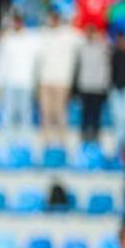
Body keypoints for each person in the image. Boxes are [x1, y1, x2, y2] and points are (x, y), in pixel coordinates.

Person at [0, 13, 42, 143]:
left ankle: (25, 146)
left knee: (25, 114)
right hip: (10, 82)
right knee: (8, 113)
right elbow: (0, 61)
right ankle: (8, 144)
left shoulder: (32, 39)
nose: (17, 24)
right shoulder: (7, 40)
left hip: (26, 82)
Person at [37, 9, 82, 147]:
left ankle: (63, 143)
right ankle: (47, 144)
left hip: (62, 81)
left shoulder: (70, 35)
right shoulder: (44, 34)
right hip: (45, 80)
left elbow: (84, 38)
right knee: (45, 114)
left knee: (60, 113)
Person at [75, 25, 112, 144]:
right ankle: (84, 142)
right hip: (84, 86)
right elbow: (78, 67)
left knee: (96, 116)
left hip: (98, 87)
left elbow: (107, 66)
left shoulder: (102, 47)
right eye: (88, 32)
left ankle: (95, 141)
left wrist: (105, 84)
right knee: (85, 116)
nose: (90, 35)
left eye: (92, 32)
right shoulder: (82, 47)